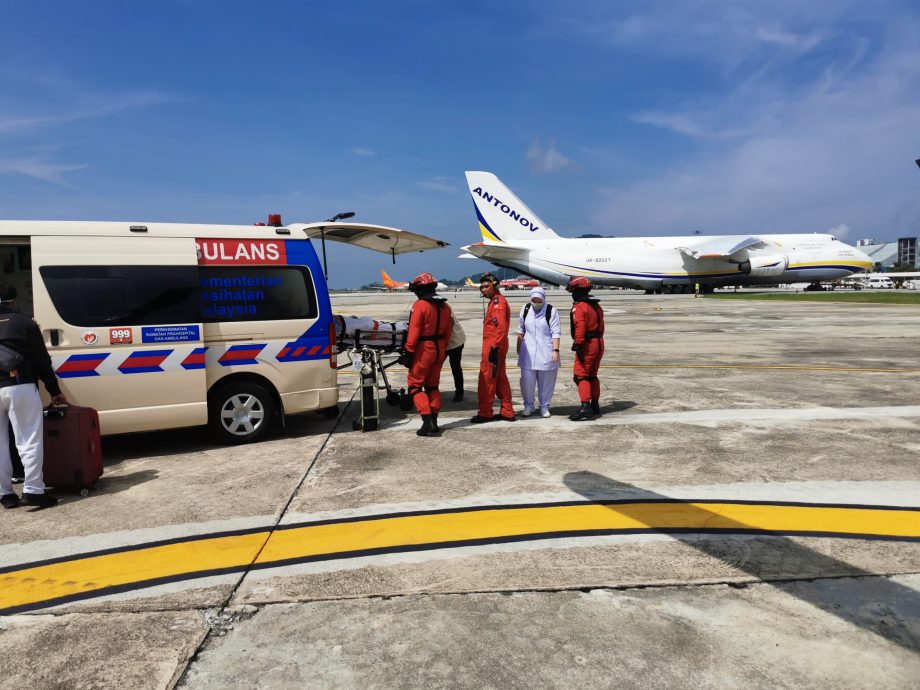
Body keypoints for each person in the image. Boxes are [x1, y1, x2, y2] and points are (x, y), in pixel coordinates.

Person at [0, 284, 67, 509]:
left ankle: (5, 495)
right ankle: (33, 490)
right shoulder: (25, 323)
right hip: (20, 386)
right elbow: (41, 361)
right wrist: (54, 390)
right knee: (28, 439)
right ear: (13, 302)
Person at [401, 273, 452, 437]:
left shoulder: (420, 306)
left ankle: (427, 421)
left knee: (415, 386)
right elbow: (448, 333)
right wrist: (442, 349)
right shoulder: (446, 307)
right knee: (433, 386)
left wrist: (408, 351)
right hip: (440, 348)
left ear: (421, 289)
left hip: (424, 349)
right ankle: (435, 422)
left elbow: (414, 331)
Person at [471, 273, 515, 423]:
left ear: (494, 286)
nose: (483, 290)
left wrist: (494, 348)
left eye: (485, 287)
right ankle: (507, 412)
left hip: (493, 346)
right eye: (481, 287)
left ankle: (485, 413)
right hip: (497, 345)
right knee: (501, 379)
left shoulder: (498, 304)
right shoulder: (495, 301)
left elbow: (500, 328)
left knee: (487, 379)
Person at [516, 286, 561, 418]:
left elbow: (556, 332)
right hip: (527, 353)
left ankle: (544, 406)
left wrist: (555, 350)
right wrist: (518, 349)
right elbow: (520, 331)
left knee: (547, 381)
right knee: (526, 381)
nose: (536, 302)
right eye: (534, 300)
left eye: (539, 300)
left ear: (543, 299)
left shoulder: (551, 311)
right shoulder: (525, 309)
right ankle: (528, 405)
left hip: (547, 352)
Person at [566, 276, 605, 421]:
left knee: (580, 375)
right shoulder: (596, 305)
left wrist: (578, 344)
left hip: (587, 344)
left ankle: (585, 407)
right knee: (592, 375)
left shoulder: (579, 306)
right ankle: (595, 405)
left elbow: (580, 326)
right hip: (599, 342)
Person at [445, 311, 465, 402]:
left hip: (455, 342)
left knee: (455, 367)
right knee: (434, 367)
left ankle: (459, 392)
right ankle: (432, 389)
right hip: (445, 342)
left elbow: (450, 322)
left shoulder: (442, 307)